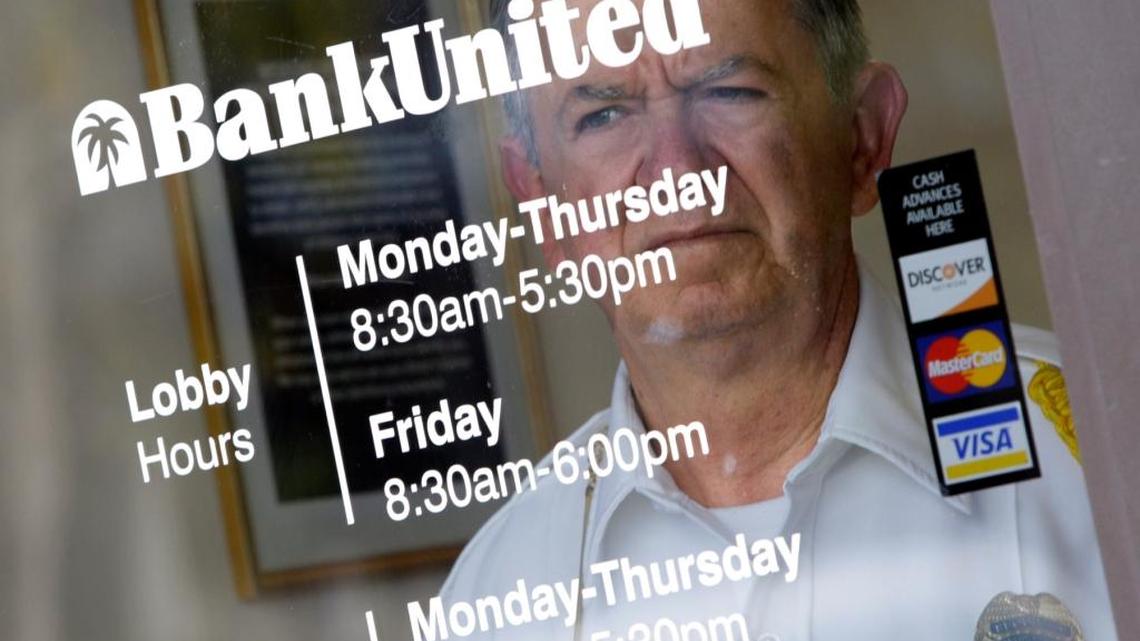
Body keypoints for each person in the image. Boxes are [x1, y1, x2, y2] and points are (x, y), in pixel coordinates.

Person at [440, 0, 1118, 639]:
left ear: (862, 136)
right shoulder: (494, 597)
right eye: (604, 117)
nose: (679, 169)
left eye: (729, 92)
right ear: (537, 201)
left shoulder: (1101, 461)